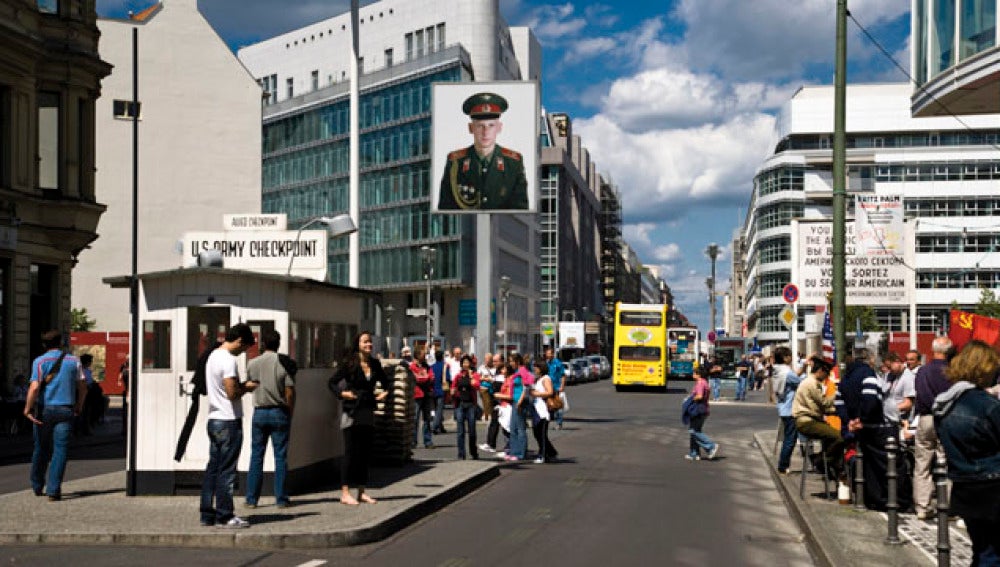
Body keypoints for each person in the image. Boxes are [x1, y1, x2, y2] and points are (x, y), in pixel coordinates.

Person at [932, 340, 1000, 565]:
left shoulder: (945, 404)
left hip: (965, 485)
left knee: (981, 549)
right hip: (993, 487)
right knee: (992, 553)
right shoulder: (988, 405)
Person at [200, 323, 257, 528]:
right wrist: (247, 387)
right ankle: (225, 515)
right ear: (240, 341)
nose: (244, 352)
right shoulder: (228, 360)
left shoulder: (212, 356)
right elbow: (232, 393)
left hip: (213, 418)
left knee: (213, 469)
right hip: (228, 420)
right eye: (245, 347)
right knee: (227, 471)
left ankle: (207, 514)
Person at [329, 331, 392, 506]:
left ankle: (362, 491)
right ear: (358, 344)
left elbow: (386, 383)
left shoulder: (374, 363)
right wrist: (343, 394)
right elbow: (332, 382)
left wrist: (384, 394)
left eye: (370, 342)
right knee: (350, 452)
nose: (369, 345)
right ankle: (345, 491)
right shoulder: (350, 363)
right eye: (365, 342)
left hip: (367, 410)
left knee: (364, 453)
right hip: (351, 411)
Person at [23, 330, 87, 501]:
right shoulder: (74, 361)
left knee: (41, 449)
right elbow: (83, 387)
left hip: (45, 410)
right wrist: (79, 406)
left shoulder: (39, 361)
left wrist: (27, 409)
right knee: (60, 450)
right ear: (61, 343)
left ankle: (37, 484)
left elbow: (35, 388)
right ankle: (53, 490)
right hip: (66, 409)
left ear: (44, 345)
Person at [437, 92, 528, 211]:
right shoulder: (455, 162)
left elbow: (520, 208)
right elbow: (445, 207)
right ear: (471, 128)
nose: (486, 132)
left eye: (491, 126)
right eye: (480, 126)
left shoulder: (513, 162)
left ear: (499, 128)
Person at [245, 329, 295, 509]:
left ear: (262, 344)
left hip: (259, 412)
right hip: (279, 411)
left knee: (256, 455)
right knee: (280, 456)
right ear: (279, 343)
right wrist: (290, 412)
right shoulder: (283, 363)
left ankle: (251, 499)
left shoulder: (252, 364)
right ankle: (281, 498)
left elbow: (249, 385)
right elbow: (289, 391)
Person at [912, 336, 953, 520]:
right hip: (947, 418)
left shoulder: (923, 371)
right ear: (949, 351)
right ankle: (948, 505)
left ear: (932, 349)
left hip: (926, 418)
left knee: (922, 465)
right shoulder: (953, 371)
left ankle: (923, 507)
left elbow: (919, 393)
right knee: (948, 463)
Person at [792, 356, 843, 477]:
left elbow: (819, 407)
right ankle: (821, 461)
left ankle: (831, 465)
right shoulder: (812, 384)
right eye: (826, 373)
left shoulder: (811, 382)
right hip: (807, 422)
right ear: (820, 370)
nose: (826, 377)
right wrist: (838, 394)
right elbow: (824, 403)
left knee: (830, 438)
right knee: (838, 437)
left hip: (810, 420)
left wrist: (835, 411)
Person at [771, 346, 803, 474]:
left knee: (788, 438)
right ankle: (783, 465)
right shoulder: (787, 373)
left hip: (783, 407)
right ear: (785, 358)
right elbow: (800, 382)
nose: (791, 358)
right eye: (789, 355)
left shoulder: (777, 371)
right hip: (790, 409)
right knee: (790, 440)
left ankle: (783, 464)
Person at [450, 355, 480, 460]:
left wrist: (471, 376)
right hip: (460, 404)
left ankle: (473, 452)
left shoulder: (475, 375)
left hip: (471, 404)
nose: (466, 365)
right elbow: (453, 387)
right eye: (464, 363)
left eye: (468, 363)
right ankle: (461, 453)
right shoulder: (458, 376)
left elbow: (476, 386)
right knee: (460, 431)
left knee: (472, 430)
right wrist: (453, 391)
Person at [528, 359, 558, 463]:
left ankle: (543, 455)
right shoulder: (539, 379)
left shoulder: (546, 378)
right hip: (537, 409)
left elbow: (550, 392)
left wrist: (537, 394)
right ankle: (551, 452)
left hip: (543, 410)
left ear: (541, 368)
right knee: (537, 433)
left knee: (541, 433)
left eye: (536, 368)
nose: (534, 370)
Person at [505, 353, 533, 462]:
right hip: (515, 401)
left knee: (520, 428)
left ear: (517, 361)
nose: (510, 363)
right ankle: (514, 451)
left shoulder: (522, 371)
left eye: (512, 361)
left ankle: (520, 453)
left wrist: (520, 402)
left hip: (520, 402)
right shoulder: (516, 372)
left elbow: (525, 388)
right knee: (513, 428)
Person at [409, 345, 435, 449]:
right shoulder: (412, 367)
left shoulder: (427, 366)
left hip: (427, 395)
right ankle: (413, 441)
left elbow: (432, 378)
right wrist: (425, 378)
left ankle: (428, 441)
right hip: (417, 395)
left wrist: (425, 378)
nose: (425, 356)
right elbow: (418, 379)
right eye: (423, 354)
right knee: (415, 419)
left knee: (427, 419)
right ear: (418, 355)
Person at [486, 355, 510, 455]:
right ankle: (491, 444)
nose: (494, 363)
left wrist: (498, 394)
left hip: (504, 404)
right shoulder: (497, 373)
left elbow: (506, 391)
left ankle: (509, 448)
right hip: (499, 403)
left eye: (496, 361)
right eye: (493, 361)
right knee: (496, 422)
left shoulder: (505, 376)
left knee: (506, 426)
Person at [544, 346, 566, 429]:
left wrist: (562, 386)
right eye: (547, 354)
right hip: (547, 387)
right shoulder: (546, 363)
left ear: (553, 354)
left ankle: (559, 423)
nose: (548, 355)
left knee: (557, 405)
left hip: (556, 387)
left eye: (549, 354)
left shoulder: (558, 363)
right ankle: (547, 421)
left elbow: (563, 375)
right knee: (548, 405)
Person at [430, 347, 447, 434]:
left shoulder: (432, 367)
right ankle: (434, 426)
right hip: (441, 390)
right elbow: (447, 378)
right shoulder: (444, 366)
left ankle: (441, 427)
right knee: (439, 410)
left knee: (435, 408)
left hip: (433, 390)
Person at [477, 352, 496, 424]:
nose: (487, 361)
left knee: (490, 401)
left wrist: (491, 379)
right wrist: (484, 378)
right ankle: (488, 416)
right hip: (483, 387)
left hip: (492, 387)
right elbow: (477, 377)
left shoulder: (495, 368)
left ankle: (486, 415)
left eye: (488, 359)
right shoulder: (481, 367)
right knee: (486, 401)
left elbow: (497, 377)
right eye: (486, 359)